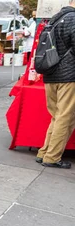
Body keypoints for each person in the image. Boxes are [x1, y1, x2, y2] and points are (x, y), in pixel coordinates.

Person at [35, 2, 75, 169]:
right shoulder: (73, 19)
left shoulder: (55, 19)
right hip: (68, 75)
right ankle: (52, 157)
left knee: (56, 116)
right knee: (65, 117)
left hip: (50, 74)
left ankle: (44, 152)